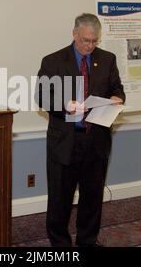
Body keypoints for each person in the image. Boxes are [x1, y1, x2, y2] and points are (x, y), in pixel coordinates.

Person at [35, 13, 125, 247]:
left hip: (96, 140)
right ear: (74, 34)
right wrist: (65, 105)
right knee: (60, 199)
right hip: (65, 141)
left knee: (92, 197)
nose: (90, 46)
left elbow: (117, 89)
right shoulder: (53, 61)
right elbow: (41, 96)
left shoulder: (107, 59)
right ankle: (60, 244)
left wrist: (117, 98)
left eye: (94, 41)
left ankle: (88, 240)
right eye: (85, 40)